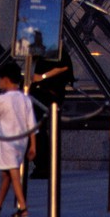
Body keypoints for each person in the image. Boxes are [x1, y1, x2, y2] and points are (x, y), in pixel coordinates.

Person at [0, 60, 36, 217]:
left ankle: (23, 208)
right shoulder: (25, 99)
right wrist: (33, 145)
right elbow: (32, 124)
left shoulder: (1, 100)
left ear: (6, 79)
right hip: (22, 142)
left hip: (6, 142)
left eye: (0, 79)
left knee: (13, 173)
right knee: (7, 174)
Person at [29, 44, 74, 179]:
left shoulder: (56, 50)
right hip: (40, 93)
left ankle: (43, 165)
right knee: (37, 129)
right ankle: (42, 164)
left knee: (39, 129)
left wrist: (42, 76)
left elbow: (65, 67)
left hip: (47, 93)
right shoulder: (43, 51)